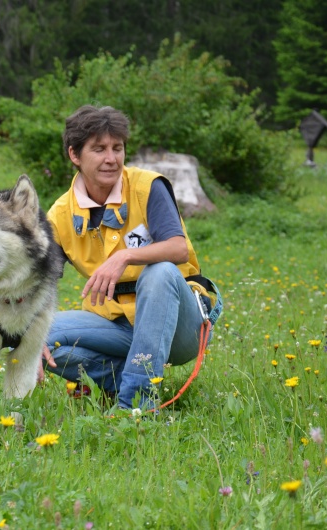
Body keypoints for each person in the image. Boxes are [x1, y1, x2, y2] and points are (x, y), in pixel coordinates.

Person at [41, 105, 222, 410]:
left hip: (179, 325)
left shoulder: (147, 186)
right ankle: (119, 378)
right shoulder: (59, 214)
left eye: (117, 148)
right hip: (116, 325)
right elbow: (39, 280)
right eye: (98, 149)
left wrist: (125, 256)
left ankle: (134, 404)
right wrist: (28, 341)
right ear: (75, 155)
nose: (111, 158)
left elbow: (177, 248)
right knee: (32, 338)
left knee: (160, 272)